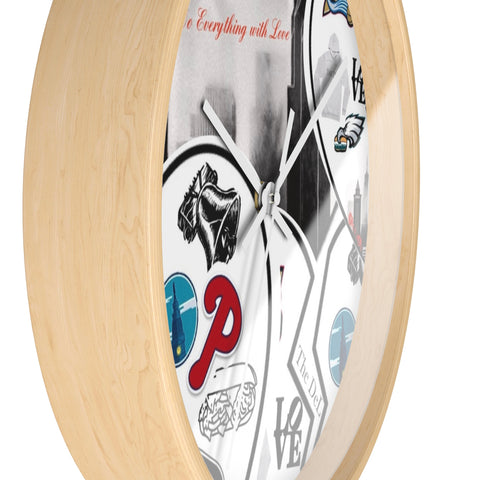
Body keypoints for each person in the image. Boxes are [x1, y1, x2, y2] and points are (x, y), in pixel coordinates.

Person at [313, 33, 350, 121]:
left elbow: (347, 88)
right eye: (333, 52)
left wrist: (344, 109)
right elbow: (316, 79)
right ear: (329, 48)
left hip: (336, 112)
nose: (335, 54)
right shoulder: (323, 59)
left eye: (337, 52)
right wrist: (317, 101)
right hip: (324, 110)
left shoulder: (341, 64)